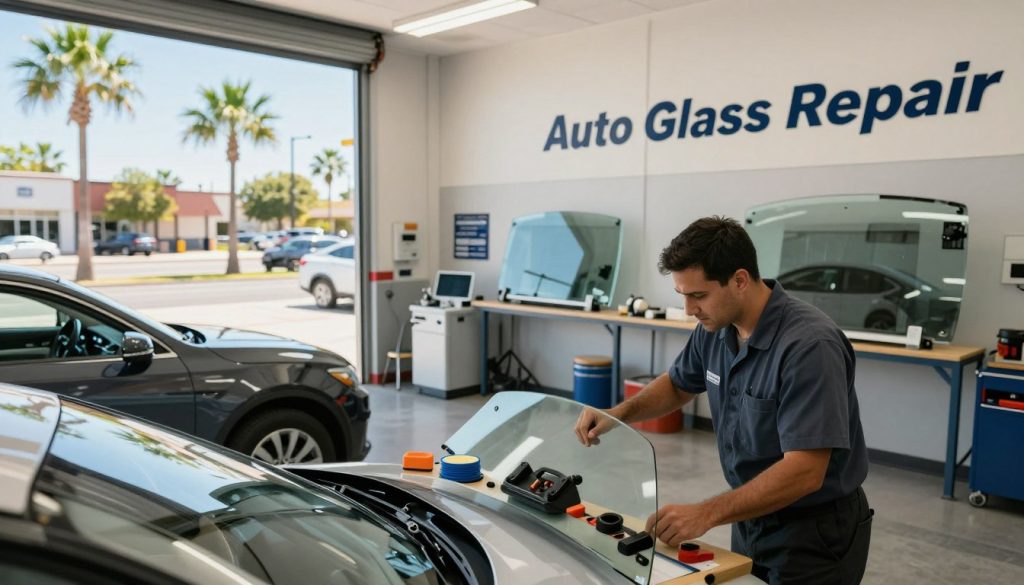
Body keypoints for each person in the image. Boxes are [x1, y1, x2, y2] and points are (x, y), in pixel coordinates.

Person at [574, 216, 872, 584]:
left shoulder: (810, 347)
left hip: (815, 533)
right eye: (683, 295)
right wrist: (620, 413)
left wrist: (706, 513)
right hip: (750, 515)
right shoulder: (715, 329)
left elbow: (805, 471)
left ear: (740, 280)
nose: (689, 310)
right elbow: (679, 384)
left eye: (699, 295)